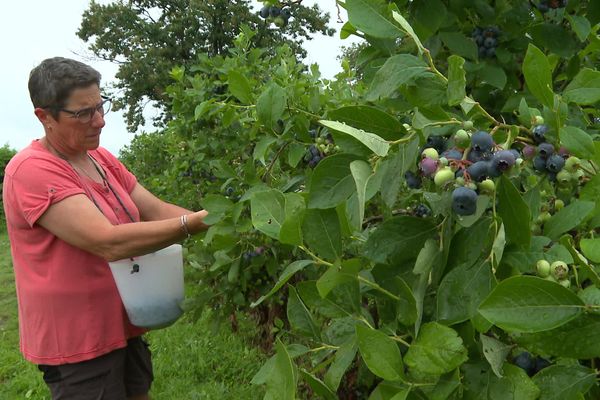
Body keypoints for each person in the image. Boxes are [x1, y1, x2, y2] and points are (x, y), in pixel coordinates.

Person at [2, 56, 209, 399]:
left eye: (100, 106)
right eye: (83, 113)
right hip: (78, 339)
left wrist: (227, 223)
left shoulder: (100, 159)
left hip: (123, 322)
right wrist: (195, 223)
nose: (99, 121)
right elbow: (107, 241)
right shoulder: (32, 171)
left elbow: (156, 210)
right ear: (44, 116)